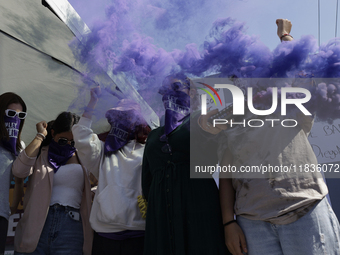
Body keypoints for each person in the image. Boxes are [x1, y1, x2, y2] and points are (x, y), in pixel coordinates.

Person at [218, 19, 340, 255]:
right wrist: (228, 223)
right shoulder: (229, 119)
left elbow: (301, 68)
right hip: (252, 223)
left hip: (304, 208)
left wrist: (285, 36)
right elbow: (226, 174)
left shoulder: (288, 102)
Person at [142, 76, 231, 254]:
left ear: (191, 93)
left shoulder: (200, 119)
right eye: (165, 89)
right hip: (161, 213)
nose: (170, 93)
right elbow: (147, 179)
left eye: (176, 87)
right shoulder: (153, 135)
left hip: (198, 205)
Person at [72, 87, 150, 255]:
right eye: (117, 117)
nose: (121, 120)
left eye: (127, 116)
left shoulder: (149, 149)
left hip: (141, 235)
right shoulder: (102, 151)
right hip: (105, 236)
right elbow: (81, 137)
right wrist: (92, 102)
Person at [12, 112, 93, 255]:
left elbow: (103, 178)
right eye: (63, 140)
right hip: (38, 225)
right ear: (53, 133)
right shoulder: (41, 152)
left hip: (72, 227)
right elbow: (18, 171)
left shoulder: (85, 155)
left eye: (73, 142)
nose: (68, 145)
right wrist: (40, 135)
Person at [0, 92, 25, 255]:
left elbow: (19, 179)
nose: (15, 119)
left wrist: (13, 207)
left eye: (20, 115)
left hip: (1, 215)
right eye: (10, 114)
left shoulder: (18, 146)